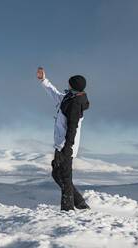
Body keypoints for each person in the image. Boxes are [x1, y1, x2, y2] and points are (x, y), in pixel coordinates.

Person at [36, 67, 90, 211]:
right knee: (56, 173)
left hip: (66, 145)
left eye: (69, 83)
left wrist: (68, 147)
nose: (67, 84)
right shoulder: (70, 97)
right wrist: (43, 80)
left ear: (74, 86)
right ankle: (80, 203)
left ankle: (67, 210)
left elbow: (73, 127)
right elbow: (56, 95)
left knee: (65, 178)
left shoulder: (75, 104)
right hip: (61, 144)